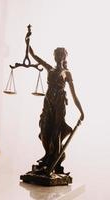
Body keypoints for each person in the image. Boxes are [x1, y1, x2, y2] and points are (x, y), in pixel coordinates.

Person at [28, 45, 84, 173]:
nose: (58, 57)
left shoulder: (67, 73)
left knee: (56, 132)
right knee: (44, 129)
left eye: (60, 55)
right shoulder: (50, 68)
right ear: (54, 56)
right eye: (56, 54)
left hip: (59, 104)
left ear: (64, 57)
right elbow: (35, 56)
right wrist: (28, 43)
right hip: (48, 103)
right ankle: (48, 155)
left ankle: (55, 162)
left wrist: (81, 111)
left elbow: (74, 95)